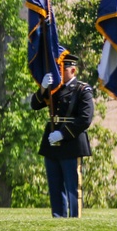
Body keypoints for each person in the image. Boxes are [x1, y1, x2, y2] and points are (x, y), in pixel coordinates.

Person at [30, 52, 93, 218]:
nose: (59, 72)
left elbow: (85, 119)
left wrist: (63, 134)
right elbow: (35, 104)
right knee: (55, 185)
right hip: (52, 142)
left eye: (62, 69)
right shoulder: (54, 89)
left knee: (73, 185)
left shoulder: (82, 90)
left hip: (71, 143)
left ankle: (75, 217)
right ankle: (58, 216)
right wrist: (43, 88)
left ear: (73, 70)